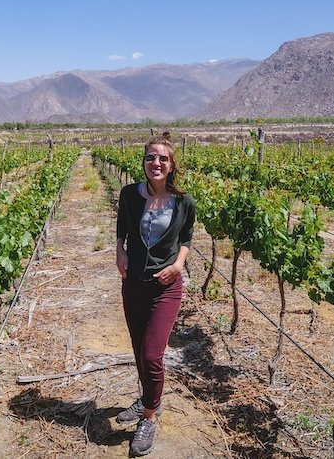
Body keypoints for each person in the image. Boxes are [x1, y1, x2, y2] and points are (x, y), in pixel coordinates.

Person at [115, 132, 195, 456]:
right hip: (133, 283)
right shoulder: (129, 194)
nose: (156, 163)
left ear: (172, 164)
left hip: (166, 288)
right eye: (150, 157)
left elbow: (187, 238)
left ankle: (149, 417)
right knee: (139, 351)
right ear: (144, 162)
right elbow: (121, 226)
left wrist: (178, 265)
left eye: (163, 158)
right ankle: (150, 399)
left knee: (152, 354)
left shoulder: (184, 201)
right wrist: (119, 251)